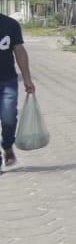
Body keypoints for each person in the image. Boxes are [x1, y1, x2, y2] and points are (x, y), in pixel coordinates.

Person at [0, 11, 36, 169]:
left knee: (8, 116)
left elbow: (19, 51)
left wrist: (27, 78)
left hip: (7, 80)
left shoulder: (10, 24)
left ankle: (7, 146)